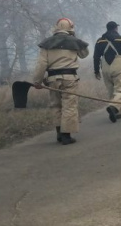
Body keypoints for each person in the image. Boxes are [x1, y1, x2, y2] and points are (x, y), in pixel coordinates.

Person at [32, 17, 89, 145]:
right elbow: (84, 54)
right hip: (70, 79)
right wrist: (74, 38)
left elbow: (41, 64)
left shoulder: (46, 44)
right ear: (70, 28)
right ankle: (66, 136)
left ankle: (59, 133)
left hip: (52, 79)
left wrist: (37, 81)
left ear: (56, 28)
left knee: (56, 106)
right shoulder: (74, 42)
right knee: (69, 106)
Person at [93, 20, 121, 123]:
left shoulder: (100, 41)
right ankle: (113, 107)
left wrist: (96, 71)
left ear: (107, 28)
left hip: (105, 66)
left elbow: (96, 57)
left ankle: (118, 112)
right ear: (116, 28)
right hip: (118, 64)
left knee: (111, 90)